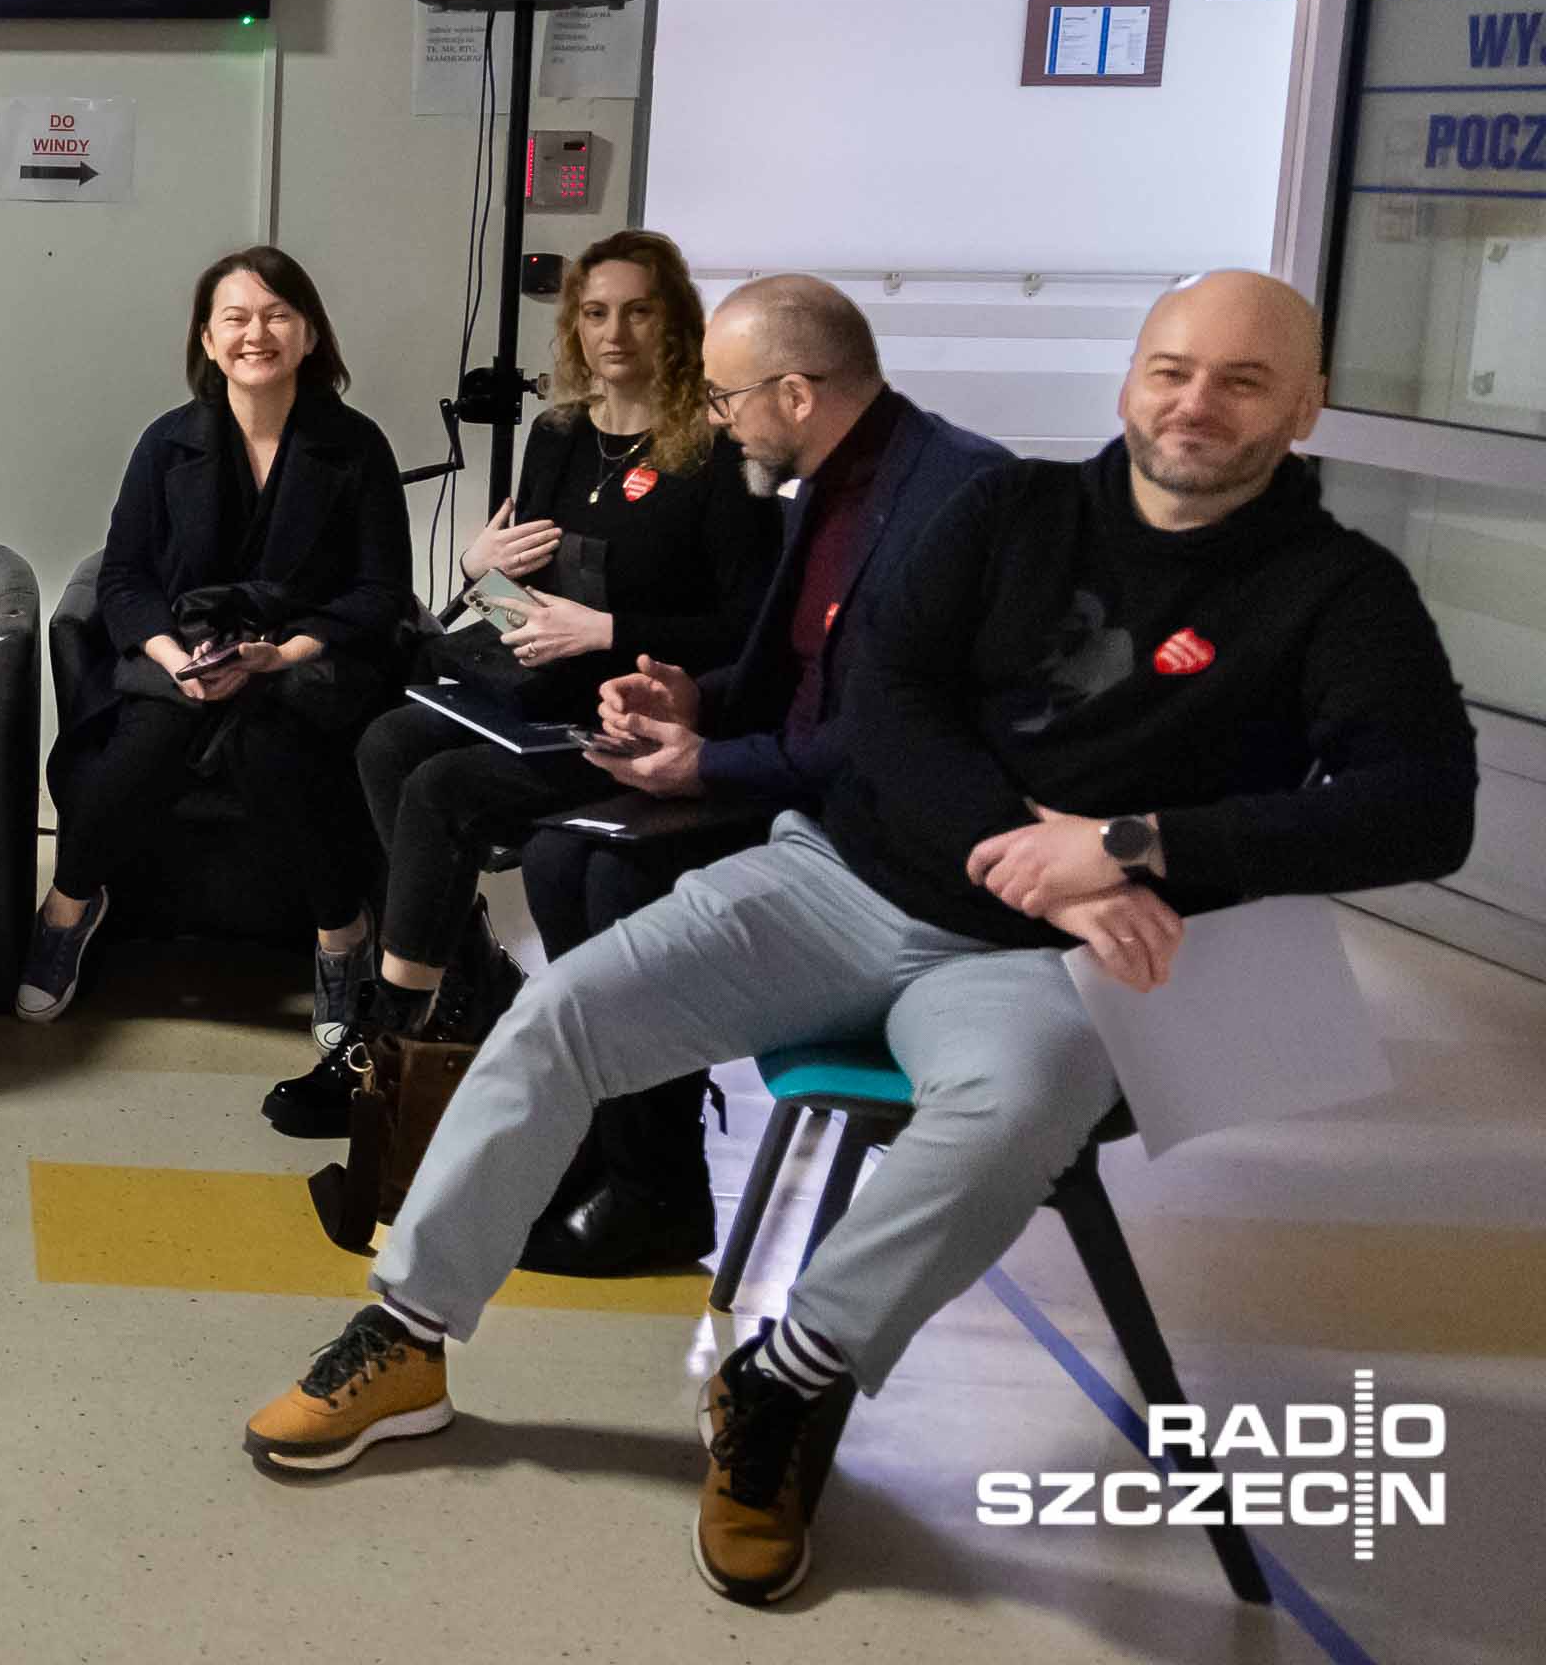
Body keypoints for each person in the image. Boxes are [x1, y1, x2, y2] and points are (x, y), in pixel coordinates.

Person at [240, 272, 1478, 1609]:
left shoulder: (1339, 593)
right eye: (1171, 369)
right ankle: (411, 1328)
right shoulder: (1013, 513)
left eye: (1243, 382)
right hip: (847, 883)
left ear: (1307, 407)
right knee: (563, 1010)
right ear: (1132, 377)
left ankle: (785, 1384)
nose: (1195, 404)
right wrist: (1039, 853)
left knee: (1012, 1112)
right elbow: (887, 700)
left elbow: (1421, 811)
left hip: (1042, 968)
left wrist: (1136, 847)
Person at [513, 274, 1011, 1276]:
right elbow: (789, 668)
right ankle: (617, 1147)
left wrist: (709, 764)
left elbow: (881, 734)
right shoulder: (831, 481)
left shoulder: (953, 499)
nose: (713, 418)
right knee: (559, 856)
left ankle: (658, 1192)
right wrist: (691, 699)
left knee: (622, 876)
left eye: (723, 397)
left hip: (881, 833)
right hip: (805, 779)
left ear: (794, 395)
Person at [267, 228, 776, 1137]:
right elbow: (521, 605)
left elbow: (750, 631)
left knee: (443, 788)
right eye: (595, 313)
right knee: (387, 741)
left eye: (638, 312)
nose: (613, 332)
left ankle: (388, 1044)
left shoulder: (718, 456)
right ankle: (463, 976)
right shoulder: (560, 436)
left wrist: (608, 632)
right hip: (536, 694)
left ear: (676, 323)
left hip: (636, 714)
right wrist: (479, 572)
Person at [25, 246, 407, 1022]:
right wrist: (174, 658)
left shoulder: (356, 445)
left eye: (277, 316)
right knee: (147, 738)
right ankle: (68, 908)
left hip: (305, 660)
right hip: (187, 651)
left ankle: (342, 937)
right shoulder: (168, 442)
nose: (255, 334)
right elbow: (124, 577)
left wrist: (282, 653)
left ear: (310, 334)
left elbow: (381, 590)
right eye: (235, 318)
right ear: (207, 338)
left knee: (270, 741)